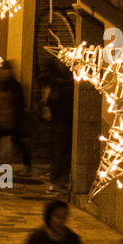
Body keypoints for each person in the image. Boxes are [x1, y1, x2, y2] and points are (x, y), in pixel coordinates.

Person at [0, 63, 32, 175]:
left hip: (14, 120)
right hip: (4, 119)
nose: (2, 73)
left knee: (19, 143)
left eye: (5, 70)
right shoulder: (1, 84)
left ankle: (27, 167)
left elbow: (17, 104)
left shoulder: (15, 86)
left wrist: (12, 119)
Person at [42, 62, 74, 194]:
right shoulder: (69, 87)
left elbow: (48, 103)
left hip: (57, 124)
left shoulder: (55, 86)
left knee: (57, 154)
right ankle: (57, 181)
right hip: (65, 124)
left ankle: (55, 181)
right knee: (62, 155)